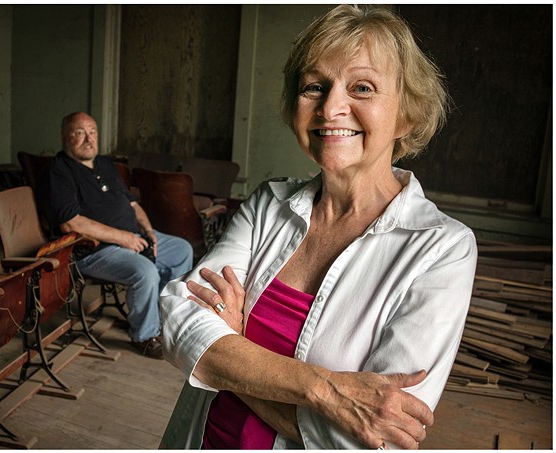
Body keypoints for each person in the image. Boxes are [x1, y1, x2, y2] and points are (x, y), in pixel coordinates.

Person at [159, 5, 477, 449]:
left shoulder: (442, 248)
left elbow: (371, 440)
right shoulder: (269, 203)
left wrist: (229, 350)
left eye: (362, 87)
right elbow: (178, 318)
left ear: (406, 113)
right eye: (314, 86)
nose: (331, 108)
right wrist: (326, 391)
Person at [39, 112, 193, 360]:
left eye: (92, 132)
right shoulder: (58, 172)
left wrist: (149, 231)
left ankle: (164, 318)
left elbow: (132, 205)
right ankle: (144, 335)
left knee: (181, 250)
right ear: (64, 136)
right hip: (93, 250)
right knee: (144, 271)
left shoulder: (105, 165)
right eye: (79, 133)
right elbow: (71, 223)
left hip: (132, 237)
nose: (88, 139)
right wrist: (123, 238)